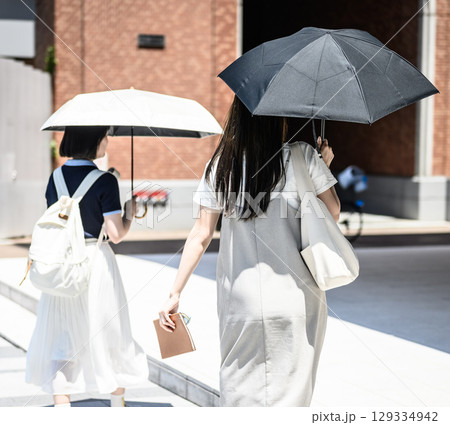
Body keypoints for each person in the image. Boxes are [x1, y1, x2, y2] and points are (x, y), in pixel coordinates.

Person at [159, 97, 340, 407]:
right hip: (297, 296)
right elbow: (332, 212)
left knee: (239, 389)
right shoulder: (303, 156)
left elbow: (201, 233)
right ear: (278, 117)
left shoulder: (221, 164)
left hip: (240, 299)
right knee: (292, 393)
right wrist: (322, 166)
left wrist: (174, 293)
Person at [26, 126, 149, 407]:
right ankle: (117, 406)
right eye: (105, 137)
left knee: (62, 340)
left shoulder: (55, 177)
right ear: (93, 140)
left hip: (61, 265)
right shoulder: (105, 180)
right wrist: (129, 215)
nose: (108, 142)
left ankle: (62, 409)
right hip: (95, 264)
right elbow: (115, 234)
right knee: (110, 333)